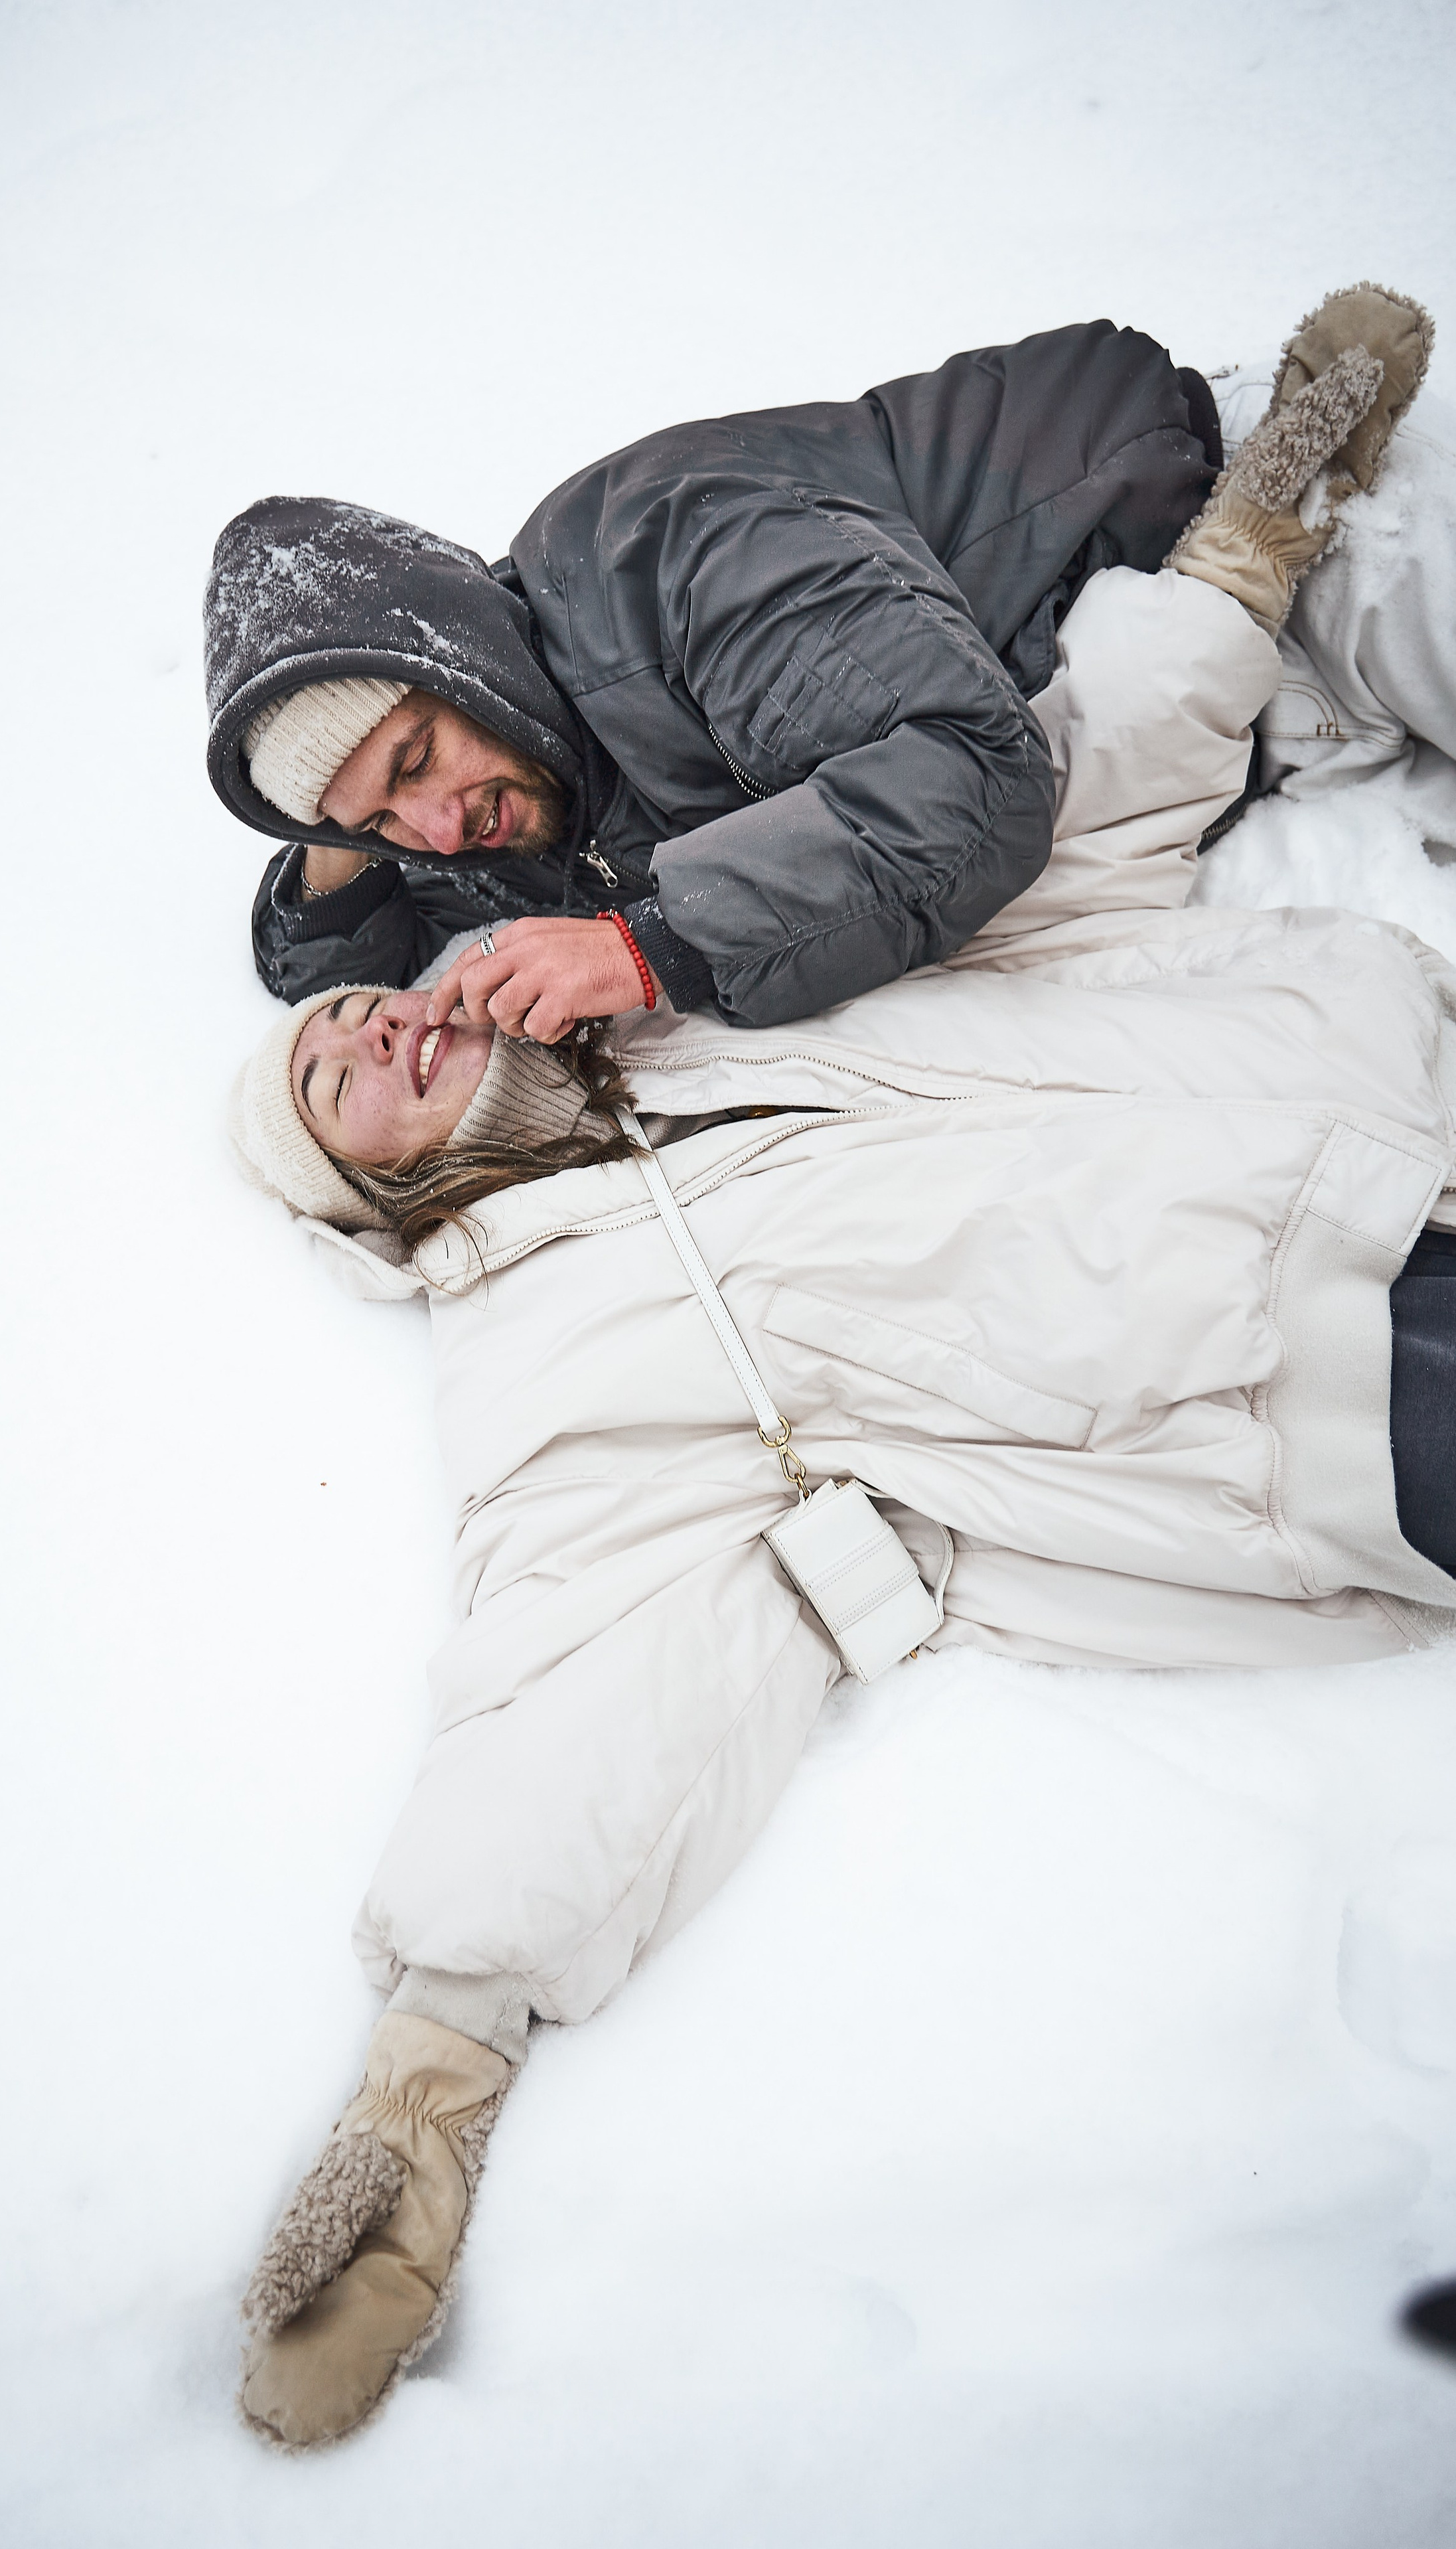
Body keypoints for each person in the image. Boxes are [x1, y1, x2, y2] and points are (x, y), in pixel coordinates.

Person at [223, 316, 1455, 2449]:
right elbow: (579, 1684)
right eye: (341, 1093)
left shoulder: (707, 983)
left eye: (375, 1014)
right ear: (378, 1210)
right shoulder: (560, 1350)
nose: (386, 1038)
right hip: (1322, 1393)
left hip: (1381, 1097)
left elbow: (1063, 839)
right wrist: (424, 2091)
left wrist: (1246, 553)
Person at [206, 317, 1234, 1031]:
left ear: (465, 660)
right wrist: (333, 828)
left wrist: (643, 949)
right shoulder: (493, 802)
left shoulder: (666, 555)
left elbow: (969, 779)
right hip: (1172, 660)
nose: (431, 830)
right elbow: (326, 967)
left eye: (416, 760)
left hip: (1180, 493)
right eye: (380, 823)